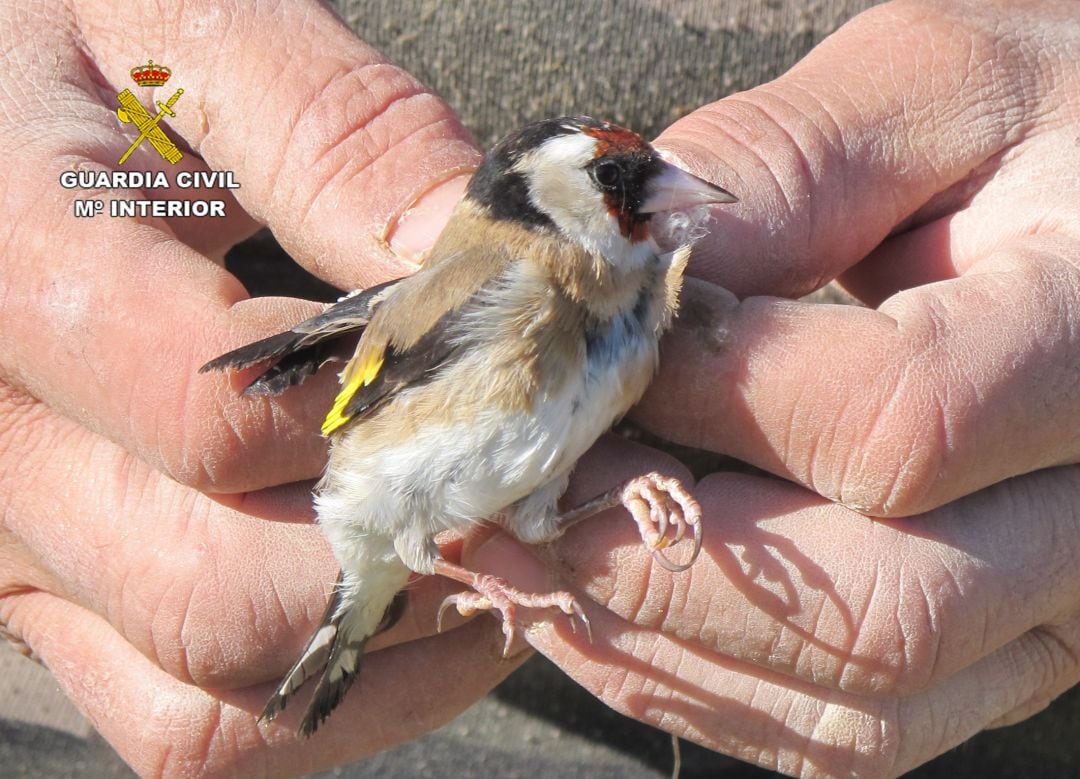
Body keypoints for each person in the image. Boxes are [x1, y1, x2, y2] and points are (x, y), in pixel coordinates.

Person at [1, 0, 1077, 776]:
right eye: (619, 185)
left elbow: (542, 485)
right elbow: (348, 397)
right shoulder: (506, 285)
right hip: (423, 678)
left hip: (987, 705)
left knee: (543, 526)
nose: (661, 197)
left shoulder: (627, 295)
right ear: (544, 205)